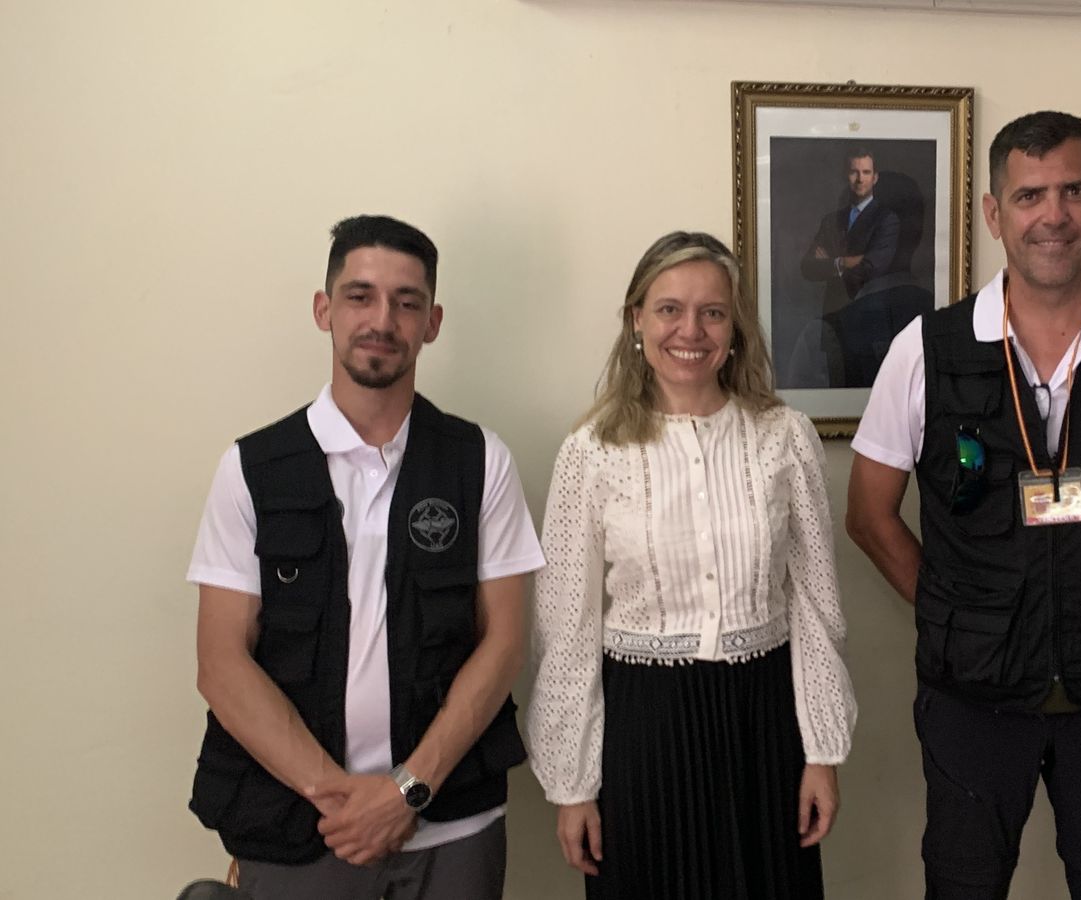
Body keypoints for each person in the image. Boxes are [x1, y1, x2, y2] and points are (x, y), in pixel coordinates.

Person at [845, 112, 1081, 899]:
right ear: (995, 214)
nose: (1052, 215)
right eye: (1029, 196)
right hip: (972, 700)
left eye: (1073, 191)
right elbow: (869, 514)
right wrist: (965, 611)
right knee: (963, 886)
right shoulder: (926, 348)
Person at [187, 215, 544, 900]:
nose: (382, 319)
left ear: (432, 322)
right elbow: (221, 664)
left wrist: (406, 791)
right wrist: (346, 799)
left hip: (453, 826)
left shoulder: (479, 462)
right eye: (360, 296)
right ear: (324, 310)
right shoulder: (252, 468)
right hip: (303, 828)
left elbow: (502, 647)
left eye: (407, 302)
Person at [528, 231, 857, 899]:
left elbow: (816, 606)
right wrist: (572, 785)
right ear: (636, 321)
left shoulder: (783, 437)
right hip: (643, 731)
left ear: (734, 325)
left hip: (764, 726)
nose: (691, 330)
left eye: (712, 311)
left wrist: (821, 751)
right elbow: (565, 630)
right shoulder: (591, 453)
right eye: (669, 308)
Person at [799, 148, 901, 315]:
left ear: (875, 178)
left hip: (868, 314)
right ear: (846, 176)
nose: (860, 179)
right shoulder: (831, 220)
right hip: (832, 315)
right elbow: (808, 267)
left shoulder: (887, 220)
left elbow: (872, 269)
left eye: (866, 172)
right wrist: (843, 262)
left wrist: (830, 263)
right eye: (854, 172)